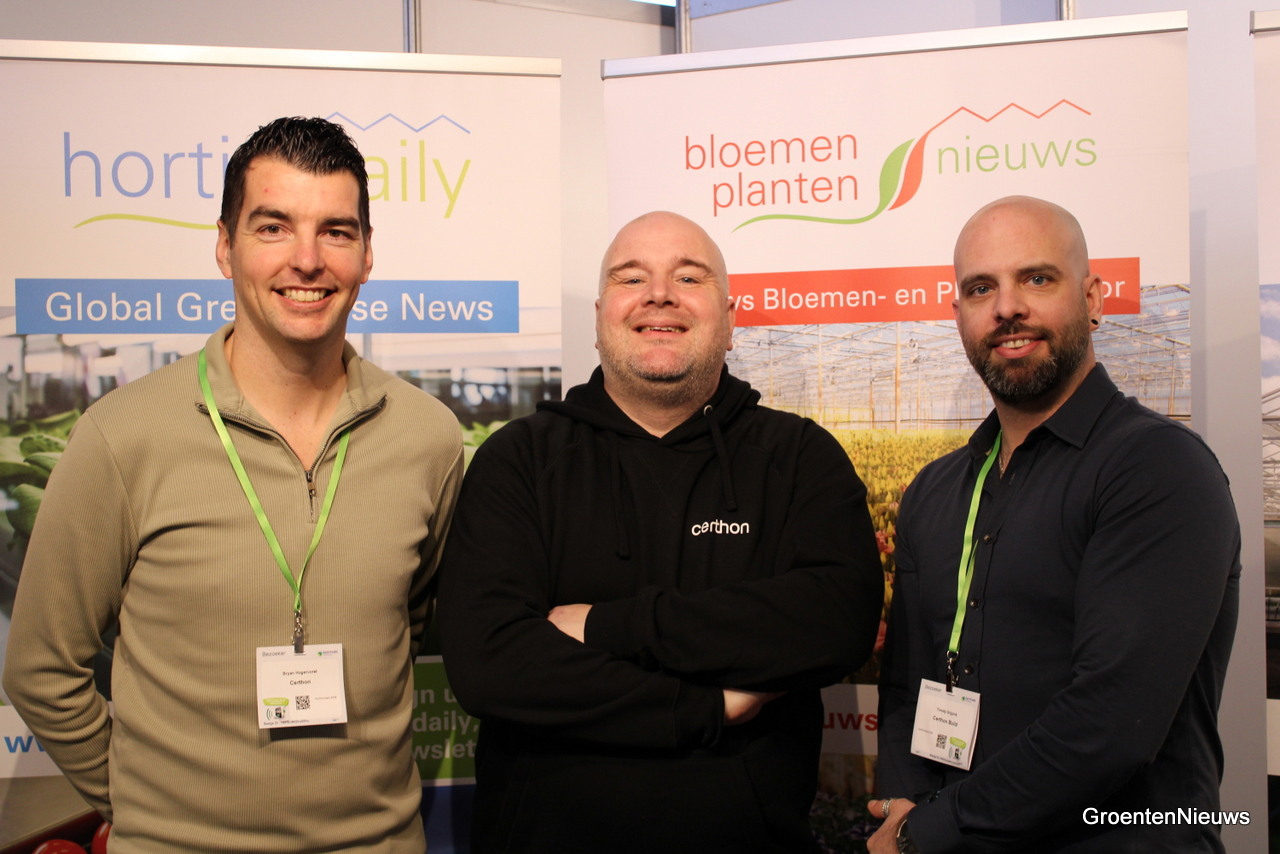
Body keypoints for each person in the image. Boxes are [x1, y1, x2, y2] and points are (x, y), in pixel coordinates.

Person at [3, 117, 464, 853]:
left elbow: (406, 626)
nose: (307, 259)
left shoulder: (427, 437)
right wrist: (148, 807)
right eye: (273, 227)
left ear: (367, 254)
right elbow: (40, 668)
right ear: (225, 246)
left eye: (336, 232)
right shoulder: (122, 436)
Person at [436, 211, 883, 852]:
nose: (659, 295)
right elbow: (491, 663)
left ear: (730, 320)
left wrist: (603, 627)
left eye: (689, 277)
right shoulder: (520, 459)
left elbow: (834, 622)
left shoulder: (799, 458)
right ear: (599, 319)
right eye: (631, 277)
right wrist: (707, 706)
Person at [871, 196, 1240, 853]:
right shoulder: (935, 491)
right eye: (980, 288)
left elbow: (1109, 726)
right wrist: (903, 800)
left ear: (1093, 299)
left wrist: (925, 834)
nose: (1007, 307)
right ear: (959, 315)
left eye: (1037, 278)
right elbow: (907, 683)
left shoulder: (1156, 469)